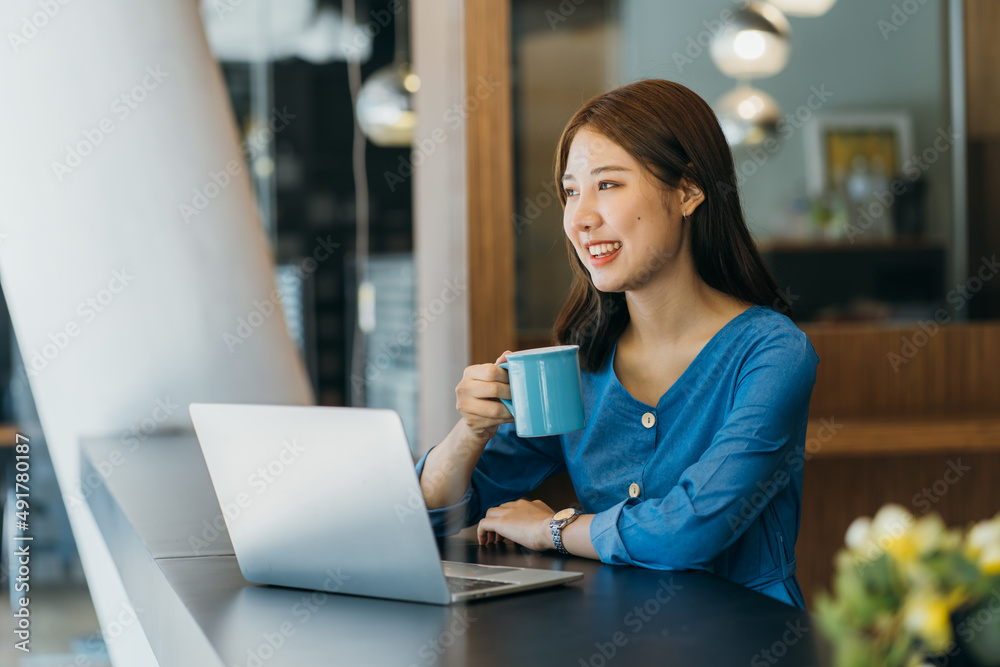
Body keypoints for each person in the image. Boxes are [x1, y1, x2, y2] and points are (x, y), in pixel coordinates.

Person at [416, 79, 819, 609]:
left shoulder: (771, 353)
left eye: (607, 185)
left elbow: (691, 529)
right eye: (570, 191)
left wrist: (554, 529)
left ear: (689, 191)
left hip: (748, 641)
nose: (581, 217)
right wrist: (470, 431)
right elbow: (428, 516)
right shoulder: (578, 366)